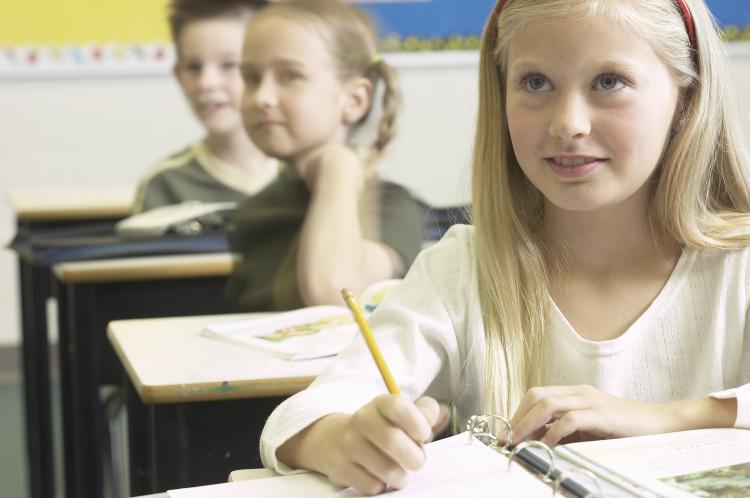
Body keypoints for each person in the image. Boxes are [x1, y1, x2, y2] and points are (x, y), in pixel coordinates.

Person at [257, 0, 750, 495]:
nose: (567, 123)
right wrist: (341, 440)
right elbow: (305, 414)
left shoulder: (739, 264)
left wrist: (671, 418)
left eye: (609, 82)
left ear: (686, 98)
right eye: (535, 83)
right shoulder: (462, 268)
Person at [224, 0, 426, 310]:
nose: (262, 97)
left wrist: (339, 164)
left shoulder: (392, 207)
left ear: (354, 100)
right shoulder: (255, 211)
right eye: (251, 78)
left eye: (290, 75)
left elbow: (332, 292)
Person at [132, 0, 280, 213]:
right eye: (194, 67)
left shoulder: (307, 174)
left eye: (230, 65)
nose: (207, 82)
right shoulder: (163, 184)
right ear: (179, 76)